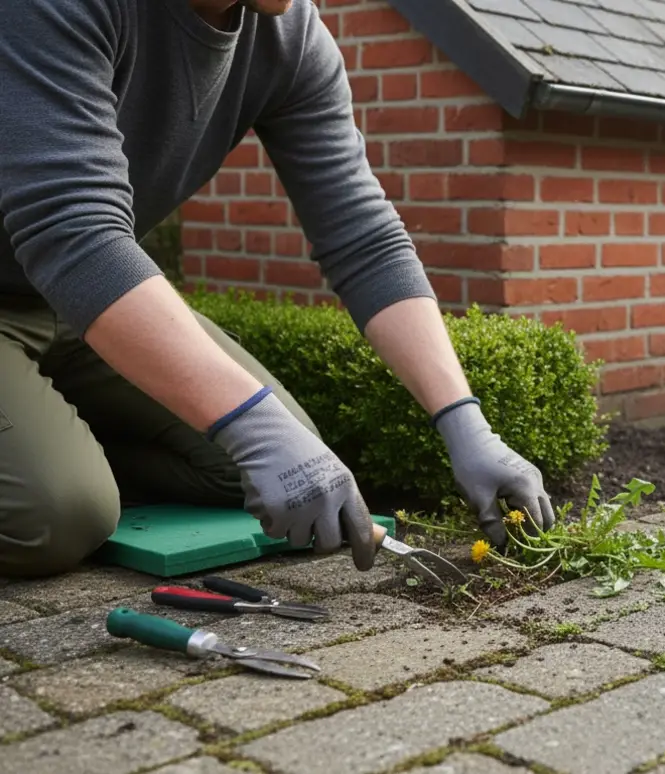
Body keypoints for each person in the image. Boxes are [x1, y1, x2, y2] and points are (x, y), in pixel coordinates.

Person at [0, 0, 554, 579]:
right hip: (69, 269)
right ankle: (54, 475)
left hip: (83, 298)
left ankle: (55, 450)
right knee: (55, 517)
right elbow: (78, 232)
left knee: (272, 463)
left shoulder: (289, 35)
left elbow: (364, 237)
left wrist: (464, 422)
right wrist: (251, 426)